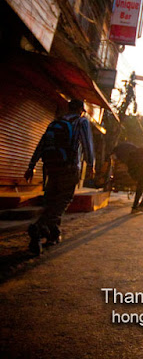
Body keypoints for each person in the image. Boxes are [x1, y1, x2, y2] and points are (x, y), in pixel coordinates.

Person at [24, 99, 95, 255]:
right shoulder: (81, 121)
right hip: (69, 168)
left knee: (52, 201)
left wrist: (31, 166)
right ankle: (38, 227)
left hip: (52, 167)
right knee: (62, 201)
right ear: (81, 110)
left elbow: (42, 143)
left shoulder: (55, 123)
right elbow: (87, 144)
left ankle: (52, 235)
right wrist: (90, 164)